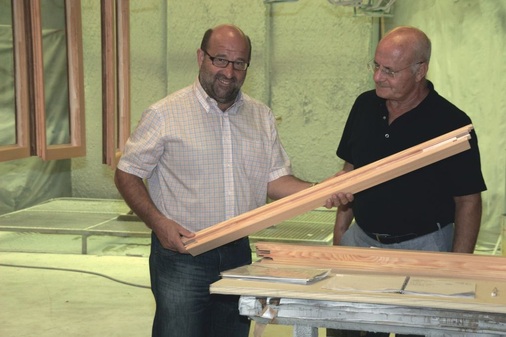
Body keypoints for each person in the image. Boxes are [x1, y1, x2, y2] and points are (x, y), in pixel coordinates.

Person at [114, 24, 325, 337]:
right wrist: (159, 224)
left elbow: (275, 181)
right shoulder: (165, 114)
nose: (230, 72)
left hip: (238, 254)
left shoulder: (260, 116)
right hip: (182, 255)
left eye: (240, 63)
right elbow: (126, 172)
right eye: (221, 60)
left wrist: (323, 192)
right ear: (201, 57)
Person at [328, 26, 487, 337]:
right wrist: (341, 238)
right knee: (345, 328)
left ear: (420, 71)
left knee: (414, 329)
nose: (378, 77)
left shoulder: (452, 124)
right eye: (376, 65)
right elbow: (350, 174)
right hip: (363, 242)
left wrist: (457, 270)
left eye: (390, 70)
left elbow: (468, 201)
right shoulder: (364, 106)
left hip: (425, 248)